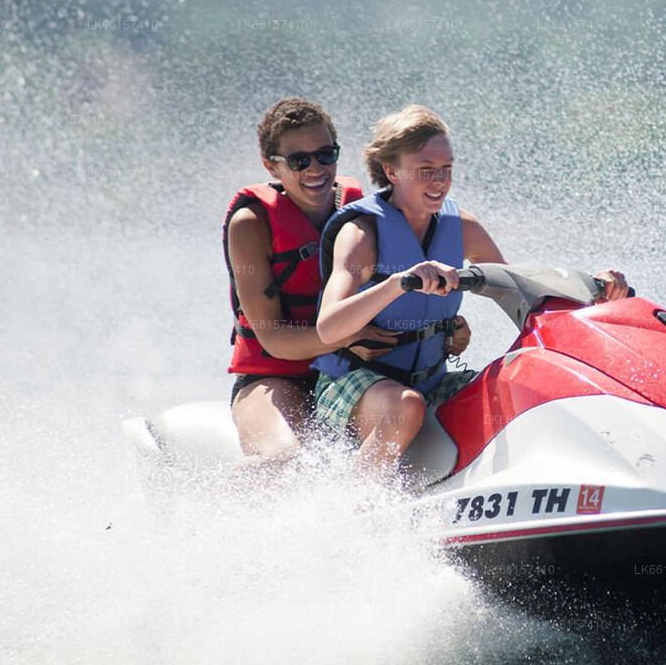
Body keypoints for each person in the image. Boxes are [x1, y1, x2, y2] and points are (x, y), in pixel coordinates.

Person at [312, 105, 627, 480]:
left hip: (431, 382)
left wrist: (594, 293)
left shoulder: (462, 227)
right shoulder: (362, 234)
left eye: (446, 168)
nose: (439, 180)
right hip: (352, 382)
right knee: (406, 407)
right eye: (426, 169)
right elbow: (328, 328)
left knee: (522, 389)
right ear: (391, 171)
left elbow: (517, 294)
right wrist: (399, 282)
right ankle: (352, 507)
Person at [223, 98, 397, 471]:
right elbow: (273, 338)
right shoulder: (251, 224)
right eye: (299, 160)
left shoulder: (360, 211)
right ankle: (203, 507)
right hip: (271, 379)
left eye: (325, 155)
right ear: (271, 165)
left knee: (408, 418)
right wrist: (347, 338)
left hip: (343, 375)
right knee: (287, 460)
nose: (315, 168)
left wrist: (446, 328)